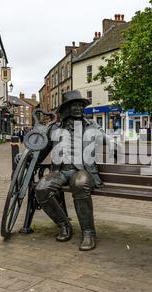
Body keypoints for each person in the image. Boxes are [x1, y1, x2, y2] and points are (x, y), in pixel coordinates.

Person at [34, 90, 115, 251]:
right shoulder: (54, 129)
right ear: (66, 109)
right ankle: (64, 225)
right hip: (61, 171)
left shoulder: (91, 126)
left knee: (79, 183)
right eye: (74, 105)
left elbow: (106, 140)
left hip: (83, 170)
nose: (79, 108)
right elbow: (42, 152)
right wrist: (30, 161)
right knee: (42, 188)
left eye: (81, 105)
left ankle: (88, 232)